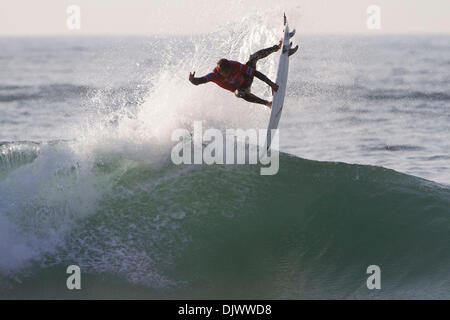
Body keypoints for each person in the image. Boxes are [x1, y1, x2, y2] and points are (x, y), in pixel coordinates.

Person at [188, 41, 284, 109]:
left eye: (230, 71)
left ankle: (277, 47)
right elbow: (201, 81)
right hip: (242, 89)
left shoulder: (235, 65)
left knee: (253, 57)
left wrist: (271, 84)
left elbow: (254, 73)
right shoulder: (213, 75)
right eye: (226, 73)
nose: (229, 74)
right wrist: (193, 80)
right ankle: (267, 104)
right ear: (219, 71)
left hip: (246, 80)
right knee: (239, 93)